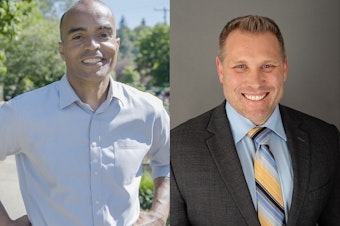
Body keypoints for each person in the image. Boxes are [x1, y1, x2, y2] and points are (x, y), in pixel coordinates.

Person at [0, 0, 170, 225]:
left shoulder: (149, 110)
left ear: (116, 44)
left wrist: (158, 215)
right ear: (62, 50)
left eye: (103, 34)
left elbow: (168, 162)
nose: (93, 45)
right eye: (78, 36)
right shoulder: (21, 113)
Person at [170, 15, 340, 226]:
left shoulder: (326, 139)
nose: (255, 82)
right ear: (220, 70)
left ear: (284, 68)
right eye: (241, 67)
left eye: (268, 66)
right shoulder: (176, 148)